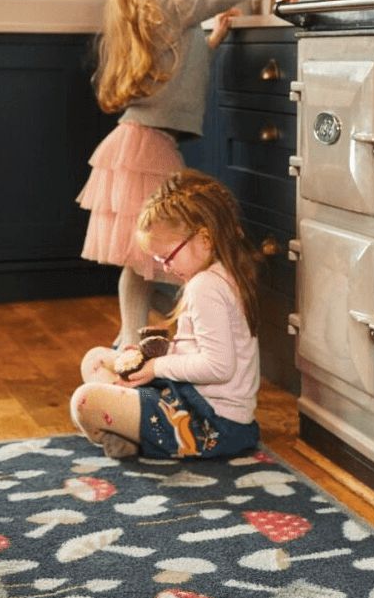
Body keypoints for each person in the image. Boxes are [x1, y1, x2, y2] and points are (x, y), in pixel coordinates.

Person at [77, 0, 317, 347]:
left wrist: (214, 38)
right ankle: (189, 338)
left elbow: (172, 74)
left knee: (140, 261)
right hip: (148, 145)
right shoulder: (172, 1)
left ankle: (130, 337)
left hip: (137, 140)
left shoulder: (156, 8)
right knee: (178, 248)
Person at [71, 169, 262, 461]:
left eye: (168, 257)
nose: (166, 268)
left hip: (210, 424)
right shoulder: (219, 274)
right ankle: (131, 432)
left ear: (204, 239)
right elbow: (200, 350)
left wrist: (157, 367)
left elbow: (219, 366)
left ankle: (131, 434)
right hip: (196, 401)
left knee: (84, 402)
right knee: (95, 359)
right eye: (159, 260)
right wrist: (154, 359)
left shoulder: (205, 286)